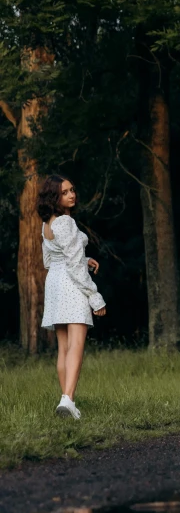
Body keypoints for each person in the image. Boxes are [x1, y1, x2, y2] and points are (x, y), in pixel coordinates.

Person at [37, 174, 107, 419]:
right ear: (54, 196)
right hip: (71, 284)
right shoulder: (65, 223)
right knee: (76, 344)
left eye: (72, 190)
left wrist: (83, 259)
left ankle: (66, 401)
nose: (71, 194)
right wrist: (95, 297)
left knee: (63, 348)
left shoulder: (47, 223)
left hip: (55, 284)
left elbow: (50, 260)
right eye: (65, 192)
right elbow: (75, 267)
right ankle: (67, 400)